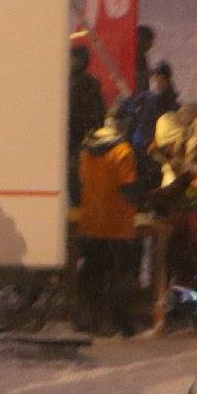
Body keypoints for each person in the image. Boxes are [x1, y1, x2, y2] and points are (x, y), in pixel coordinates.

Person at [76, 101, 145, 337]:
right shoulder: (123, 151)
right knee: (120, 275)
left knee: (93, 274)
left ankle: (90, 320)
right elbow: (128, 188)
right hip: (117, 224)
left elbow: (82, 181)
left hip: (91, 221)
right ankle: (120, 323)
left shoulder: (87, 148)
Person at [68, 45, 105, 205]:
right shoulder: (65, 81)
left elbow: (98, 112)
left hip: (78, 137)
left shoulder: (89, 83)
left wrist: (93, 130)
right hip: (75, 137)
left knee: (75, 175)